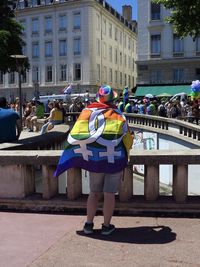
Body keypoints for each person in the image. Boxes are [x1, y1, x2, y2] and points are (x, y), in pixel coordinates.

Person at [54, 85, 133, 235]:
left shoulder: (86, 112)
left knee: (94, 192)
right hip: (113, 159)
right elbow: (127, 138)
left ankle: (88, 225)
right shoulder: (118, 114)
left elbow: (77, 134)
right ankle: (106, 226)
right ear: (113, 99)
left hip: (94, 159)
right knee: (109, 194)